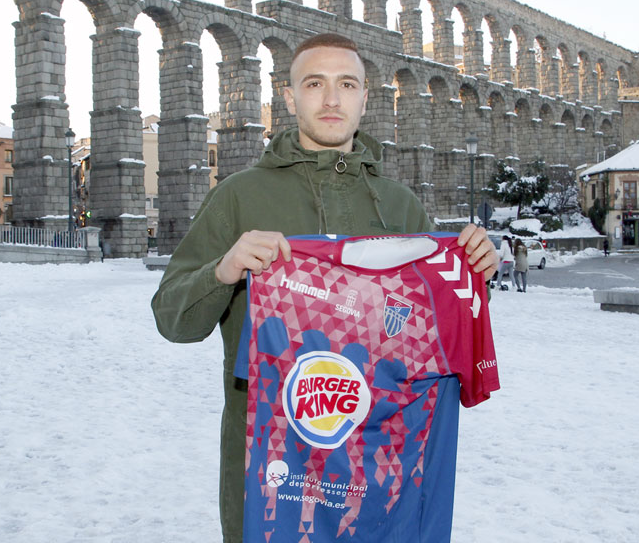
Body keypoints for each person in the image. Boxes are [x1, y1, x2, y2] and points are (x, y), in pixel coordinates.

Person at [150, 32, 497, 543]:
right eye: (315, 84)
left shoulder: (401, 206)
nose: (332, 99)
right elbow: (171, 319)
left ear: (365, 98)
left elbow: (435, 335)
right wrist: (223, 270)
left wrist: (473, 276)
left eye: (347, 84)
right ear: (290, 98)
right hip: (271, 476)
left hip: (382, 474)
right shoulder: (238, 197)